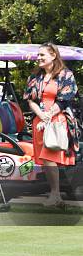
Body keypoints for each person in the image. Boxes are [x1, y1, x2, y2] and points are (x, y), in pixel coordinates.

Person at [23, 43, 79, 208]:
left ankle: (55, 195)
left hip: (56, 120)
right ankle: (56, 196)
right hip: (39, 121)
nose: (39, 58)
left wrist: (47, 117)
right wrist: (40, 116)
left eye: (42, 55)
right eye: (38, 55)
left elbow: (65, 99)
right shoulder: (35, 76)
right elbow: (30, 99)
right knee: (45, 160)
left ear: (53, 55)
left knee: (49, 157)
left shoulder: (65, 75)